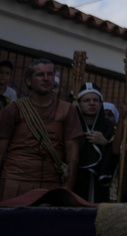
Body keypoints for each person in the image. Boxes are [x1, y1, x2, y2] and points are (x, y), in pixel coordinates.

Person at [0, 59, 82, 200]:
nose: (46, 79)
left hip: (50, 185)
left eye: (50, 74)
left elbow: (72, 152)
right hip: (14, 182)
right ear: (29, 81)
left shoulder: (67, 110)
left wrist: (68, 186)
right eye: (40, 75)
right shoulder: (14, 109)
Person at [74, 83, 117, 202]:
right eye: (87, 100)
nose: (92, 103)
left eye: (95, 100)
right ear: (79, 103)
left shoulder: (110, 127)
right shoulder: (71, 124)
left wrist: (105, 143)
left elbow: (118, 155)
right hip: (76, 179)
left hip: (101, 182)